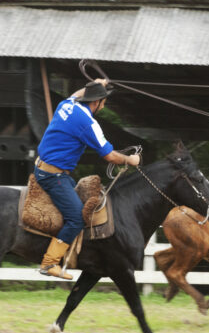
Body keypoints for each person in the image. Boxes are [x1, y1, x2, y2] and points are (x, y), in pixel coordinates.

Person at [34, 78, 141, 280]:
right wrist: (131, 160)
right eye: (103, 101)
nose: (104, 105)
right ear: (97, 102)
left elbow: (77, 94)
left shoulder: (67, 104)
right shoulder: (87, 123)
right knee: (76, 217)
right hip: (53, 176)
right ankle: (49, 263)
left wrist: (93, 85)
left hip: (44, 168)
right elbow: (110, 156)